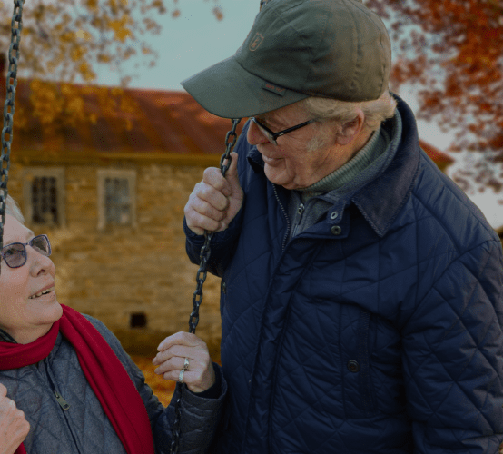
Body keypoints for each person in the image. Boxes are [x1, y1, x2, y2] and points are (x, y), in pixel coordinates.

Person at [181, 0, 503, 452]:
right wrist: (212, 228)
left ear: (348, 127)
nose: (253, 139)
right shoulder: (262, 166)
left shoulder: (455, 253)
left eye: (272, 126)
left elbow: (461, 438)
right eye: (251, 119)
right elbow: (226, 264)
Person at [0, 184, 225, 454]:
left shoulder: (91, 340)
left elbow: (159, 444)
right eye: (11, 255)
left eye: (35, 245)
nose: (43, 262)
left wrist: (197, 392)